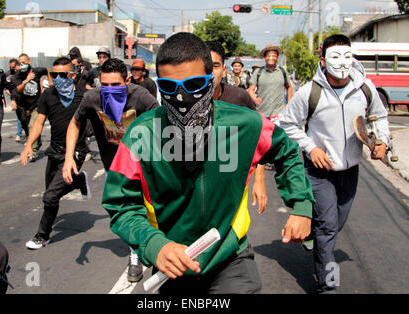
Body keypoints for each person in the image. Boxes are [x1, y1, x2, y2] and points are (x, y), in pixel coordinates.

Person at [101, 32, 315, 294]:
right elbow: (120, 203)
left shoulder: (245, 125)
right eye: (169, 88)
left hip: (230, 258)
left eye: (193, 85)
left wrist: (301, 206)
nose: (181, 97)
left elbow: (287, 151)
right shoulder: (141, 135)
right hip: (173, 263)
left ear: (211, 80)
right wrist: (155, 245)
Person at [279, 34, 390, 293]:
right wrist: (311, 147)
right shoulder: (310, 92)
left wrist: (382, 140)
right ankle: (328, 286)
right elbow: (288, 124)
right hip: (319, 172)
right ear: (323, 60)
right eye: (335, 57)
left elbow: (380, 116)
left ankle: (313, 233)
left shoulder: (365, 88)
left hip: (350, 171)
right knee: (328, 229)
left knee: (335, 223)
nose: (342, 62)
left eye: (347, 56)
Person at [63, 58, 159, 282]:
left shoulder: (142, 97)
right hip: (114, 165)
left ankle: (159, 244)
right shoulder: (92, 97)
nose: (109, 90)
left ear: (127, 80)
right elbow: (75, 122)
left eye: (115, 85)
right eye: (104, 85)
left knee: (152, 209)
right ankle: (135, 254)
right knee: (127, 210)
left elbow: (162, 124)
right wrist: (69, 157)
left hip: (144, 163)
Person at [20, 57, 91, 250]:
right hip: (55, 152)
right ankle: (79, 181)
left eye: (63, 74)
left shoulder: (84, 96)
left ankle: (42, 236)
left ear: (73, 75)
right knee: (51, 196)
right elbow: (39, 123)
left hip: (76, 152)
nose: (58, 78)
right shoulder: (49, 95)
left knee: (50, 196)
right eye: (54, 75)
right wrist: (28, 145)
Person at [206, 40, 268, 213]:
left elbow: (260, 137)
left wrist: (260, 179)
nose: (209, 72)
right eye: (204, 65)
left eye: (215, 66)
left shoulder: (239, 98)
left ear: (224, 70)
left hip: (232, 183)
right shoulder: (183, 99)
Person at [12, 53, 51, 162]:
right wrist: (27, 80)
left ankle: (33, 151)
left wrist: (50, 82)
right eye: (20, 63)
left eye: (24, 62)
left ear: (29, 62)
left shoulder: (37, 71)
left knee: (32, 125)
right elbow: (18, 90)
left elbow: (47, 69)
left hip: (37, 104)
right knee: (27, 126)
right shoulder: (18, 75)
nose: (22, 65)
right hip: (24, 106)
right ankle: (37, 142)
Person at [248, 44, 294, 124]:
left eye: (274, 56)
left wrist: (288, 103)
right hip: (262, 113)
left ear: (277, 58)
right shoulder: (258, 72)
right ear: (265, 58)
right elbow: (250, 90)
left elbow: (289, 87)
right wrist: (255, 99)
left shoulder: (282, 71)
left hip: (279, 114)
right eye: (268, 56)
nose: (271, 58)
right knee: (264, 136)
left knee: (277, 135)